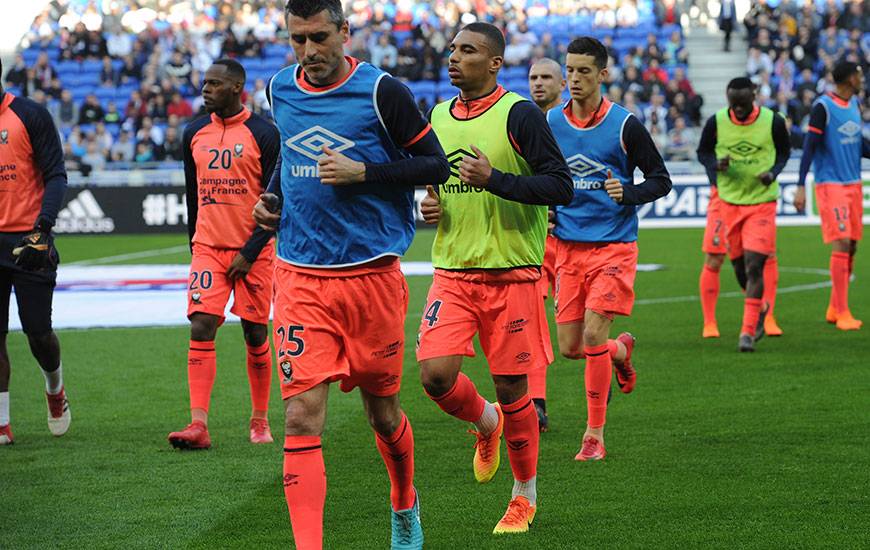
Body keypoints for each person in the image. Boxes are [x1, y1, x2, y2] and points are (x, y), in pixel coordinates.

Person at [251, 1, 449, 548]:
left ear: (344, 32)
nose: (308, 52)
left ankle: (404, 502)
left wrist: (365, 173)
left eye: (318, 38)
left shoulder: (383, 92)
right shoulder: (280, 88)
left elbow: (436, 165)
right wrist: (271, 198)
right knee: (300, 416)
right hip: (299, 278)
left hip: (372, 278)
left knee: (383, 416)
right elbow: (289, 156)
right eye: (297, 40)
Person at [417, 22, 572, 534]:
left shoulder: (519, 114)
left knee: (513, 387)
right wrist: (432, 204)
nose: (454, 57)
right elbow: (441, 182)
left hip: (512, 276)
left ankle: (524, 496)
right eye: (453, 48)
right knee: (434, 378)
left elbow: (560, 186)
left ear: (495, 63)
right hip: (454, 272)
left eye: (468, 50)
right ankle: (486, 423)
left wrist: (496, 180)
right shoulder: (437, 115)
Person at [547, 37, 671, 461]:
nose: (574, 78)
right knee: (571, 347)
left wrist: (630, 192)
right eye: (571, 70)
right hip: (567, 247)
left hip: (614, 247)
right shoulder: (552, 124)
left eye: (584, 71)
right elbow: (543, 176)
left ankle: (594, 435)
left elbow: (661, 179)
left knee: (593, 332)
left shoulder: (625, 126)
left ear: (603, 74)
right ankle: (621, 352)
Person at [167, 59, 280, 450]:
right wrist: (194, 247)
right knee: (201, 325)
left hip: (255, 249)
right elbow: (191, 195)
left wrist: (250, 251)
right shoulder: (193, 132)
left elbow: (276, 199)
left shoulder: (264, 134)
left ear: (237, 88)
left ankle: (260, 420)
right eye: (204, 83)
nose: (205, 89)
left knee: (254, 332)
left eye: (214, 84)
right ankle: (198, 425)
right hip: (208, 249)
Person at [0, 60, 70, 445]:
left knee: (38, 334)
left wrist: (43, 228)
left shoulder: (29, 114)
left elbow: (56, 175)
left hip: (30, 240)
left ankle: (55, 390)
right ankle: (2, 422)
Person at [696, 77, 790, 352]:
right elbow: (702, 152)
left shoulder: (773, 121)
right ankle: (759, 308)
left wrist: (772, 173)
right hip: (728, 200)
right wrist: (716, 165)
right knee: (738, 266)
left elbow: (784, 153)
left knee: (754, 264)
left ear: (754, 96)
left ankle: (747, 333)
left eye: (742, 103)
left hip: (761, 202)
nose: (737, 109)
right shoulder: (716, 121)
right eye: (733, 103)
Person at [794, 61, 869, 330]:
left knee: (852, 246)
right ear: (850, 78)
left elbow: (859, 144)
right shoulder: (822, 107)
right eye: (859, 74)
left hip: (853, 185)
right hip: (831, 185)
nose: (862, 78)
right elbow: (809, 148)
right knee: (842, 243)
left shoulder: (854, 105)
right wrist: (801, 185)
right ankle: (844, 313)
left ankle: (834, 307)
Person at [525, 57, 566, 433]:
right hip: (537, 239)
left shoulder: (577, 127)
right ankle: (535, 402)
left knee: (581, 338)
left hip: (581, 242)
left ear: (563, 83)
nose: (538, 84)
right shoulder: (519, 123)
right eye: (533, 78)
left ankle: (616, 351)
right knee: (533, 316)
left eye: (546, 77)